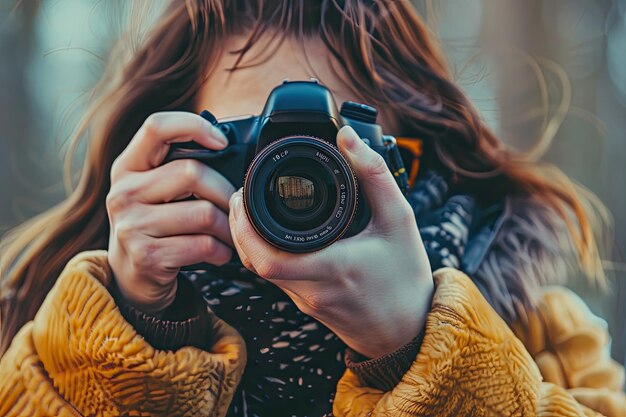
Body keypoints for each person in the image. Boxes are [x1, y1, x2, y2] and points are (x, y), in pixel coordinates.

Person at [0, 1, 624, 416]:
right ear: (177, 157)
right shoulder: (40, 325)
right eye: (256, 148)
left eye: (340, 150)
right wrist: (134, 325)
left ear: (406, 162)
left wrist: (415, 343)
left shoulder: (544, 335)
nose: (295, 178)